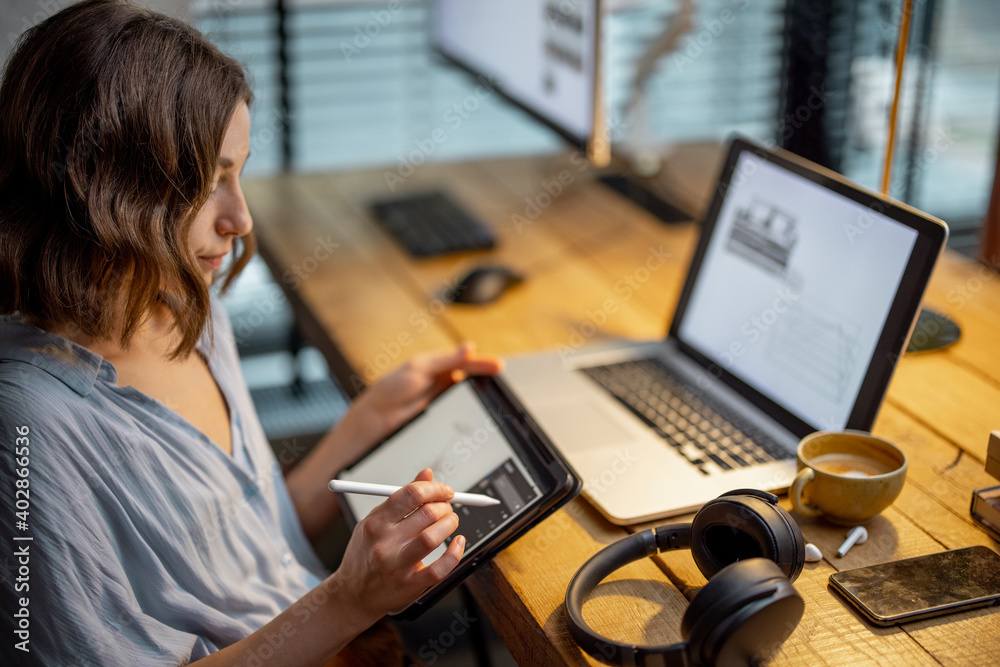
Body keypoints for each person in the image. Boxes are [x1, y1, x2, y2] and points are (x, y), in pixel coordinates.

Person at [0, 1, 501, 664]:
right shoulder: (29, 422)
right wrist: (349, 599)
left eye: (238, 172)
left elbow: (245, 543)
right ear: (104, 189)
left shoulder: (183, 301)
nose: (239, 217)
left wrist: (366, 420)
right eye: (208, 183)